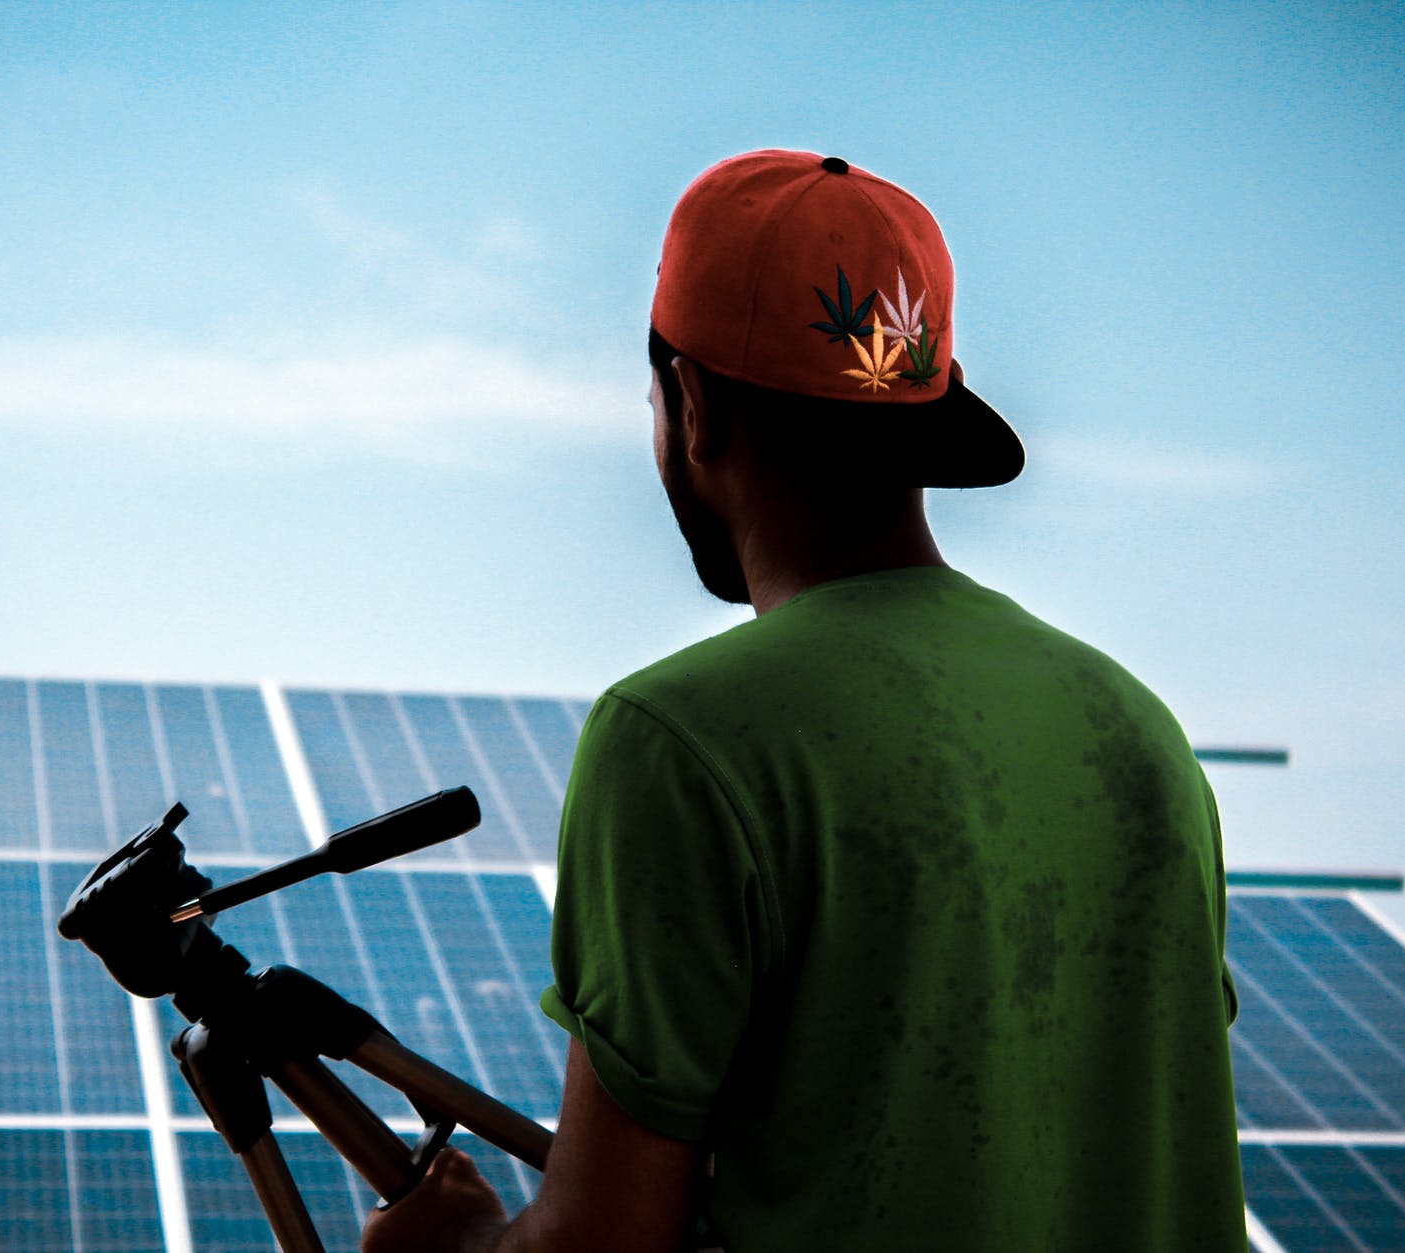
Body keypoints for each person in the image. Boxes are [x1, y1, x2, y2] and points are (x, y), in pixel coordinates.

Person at [362, 149, 1246, 1253]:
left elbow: (602, 1242)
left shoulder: (677, 739)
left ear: (689, 405)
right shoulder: (1135, 728)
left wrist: (451, 1244)